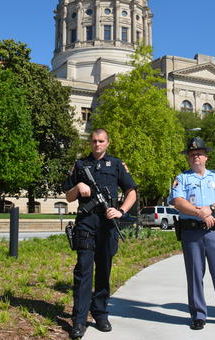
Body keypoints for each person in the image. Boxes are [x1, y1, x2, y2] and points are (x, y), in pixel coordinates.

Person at [62, 128, 137, 339]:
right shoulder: (80, 165)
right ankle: (79, 320)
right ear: (90, 143)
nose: (97, 144)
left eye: (101, 141)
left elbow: (131, 192)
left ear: (108, 142)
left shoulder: (116, 164)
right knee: (83, 272)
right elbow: (68, 197)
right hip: (86, 223)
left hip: (108, 223)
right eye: (94, 141)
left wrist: (121, 211)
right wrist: (78, 187)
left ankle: (101, 313)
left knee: (104, 270)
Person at [170, 137, 215, 331]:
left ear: (206, 157)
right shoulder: (182, 178)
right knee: (194, 274)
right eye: (192, 155)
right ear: (188, 158)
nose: (196, 157)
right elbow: (177, 201)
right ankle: (198, 315)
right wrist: (199, 213)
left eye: (199, 154)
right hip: (192, 233)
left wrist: (210, 208)